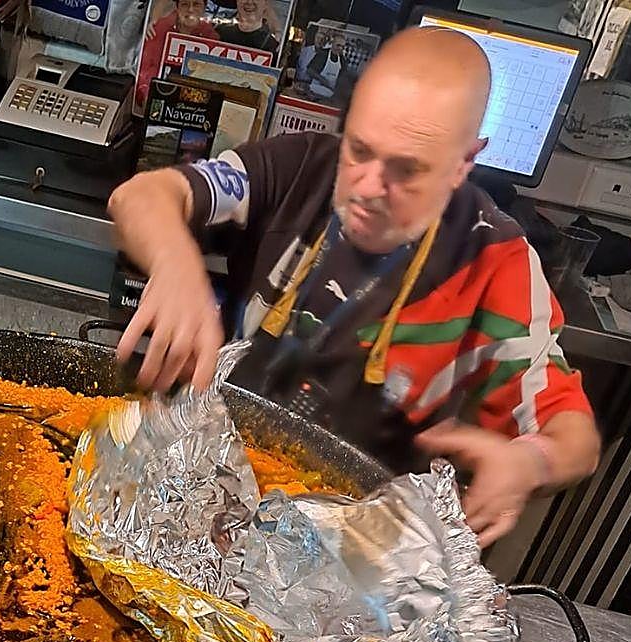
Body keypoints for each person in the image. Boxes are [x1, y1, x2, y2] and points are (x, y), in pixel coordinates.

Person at [107, 27, 601, 546]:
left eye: (406, 171)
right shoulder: (300, 169)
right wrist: (176, 264)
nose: (367, 187)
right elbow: (143, 196)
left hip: (352, 546)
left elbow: (575, 438)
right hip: (204, 489)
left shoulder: (495, 262)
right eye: (360, 150)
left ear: (464, 162)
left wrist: (530, 461)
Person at [135, 0, 220, 107]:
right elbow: (146, 68)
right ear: (177, 7)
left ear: (204, 8)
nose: (190, 10)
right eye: (184, 4)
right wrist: (147, 94)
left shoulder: (212, 38)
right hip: (157, 98)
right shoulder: (159, 29)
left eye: (196, 4)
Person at [216, 0, 280, 56]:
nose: (249, 2)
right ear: (237, 2)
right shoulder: (219, 32)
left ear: (265, 4)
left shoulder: (272, 46)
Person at [307, 33, 346, 99]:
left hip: (329, 94)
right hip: (314, 90)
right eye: (338, 45)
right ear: (332, 43)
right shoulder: (323, 54)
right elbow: (309, 71)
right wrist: (322, 79)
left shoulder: (342, 60)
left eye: (342, 47)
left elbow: (343, 77)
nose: (340, 48)